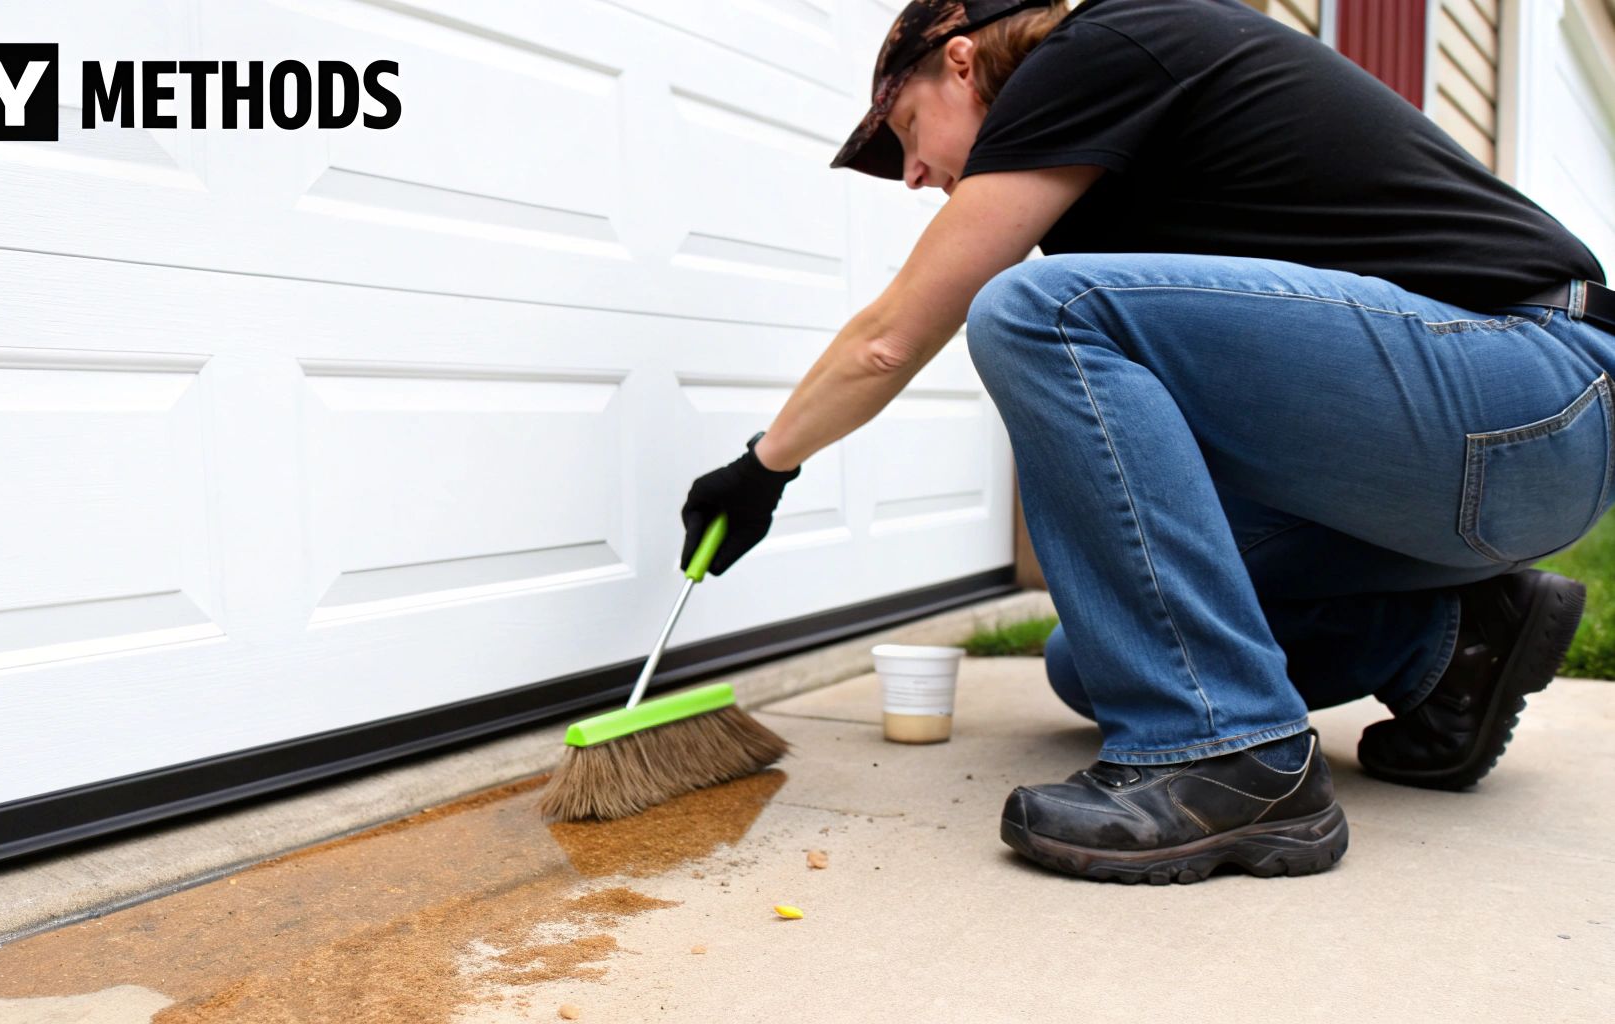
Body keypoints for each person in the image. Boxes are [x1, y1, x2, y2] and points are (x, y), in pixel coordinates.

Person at [678, 0, 1615, 884]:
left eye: (906, 131)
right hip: (1467, 463)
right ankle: (1447, 642)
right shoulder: (1112, 154)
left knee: (1036, 309)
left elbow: (893, 337)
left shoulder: (1100, 46)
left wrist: (764, 468)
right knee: (1093, 659)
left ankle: (1232, 756)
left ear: (960, 61)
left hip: (1534, 385)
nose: (913, 173)